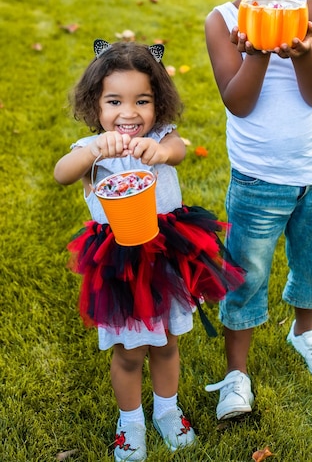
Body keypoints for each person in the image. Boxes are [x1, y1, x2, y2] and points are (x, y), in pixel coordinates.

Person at [54, 39, 243, 460]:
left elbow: (178, 148)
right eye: (114, 101)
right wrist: (91, 151)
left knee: (167, 343)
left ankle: (167, 412)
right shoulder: (92, 152)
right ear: (95, 106)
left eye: (142, 101)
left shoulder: (159, 140)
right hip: (120, 263)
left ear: (158, 104)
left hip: (166, 254)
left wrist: (159, 150)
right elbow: (61, 174)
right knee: (128, 351)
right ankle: (131, 423)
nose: (129, 113)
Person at [204, 0, 312, 421]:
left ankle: (304, 331)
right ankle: (237, 372)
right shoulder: (223, 22)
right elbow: (237, 103)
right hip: (258, 178)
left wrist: (302, 52)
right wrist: (257, 53)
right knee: (245, 274)